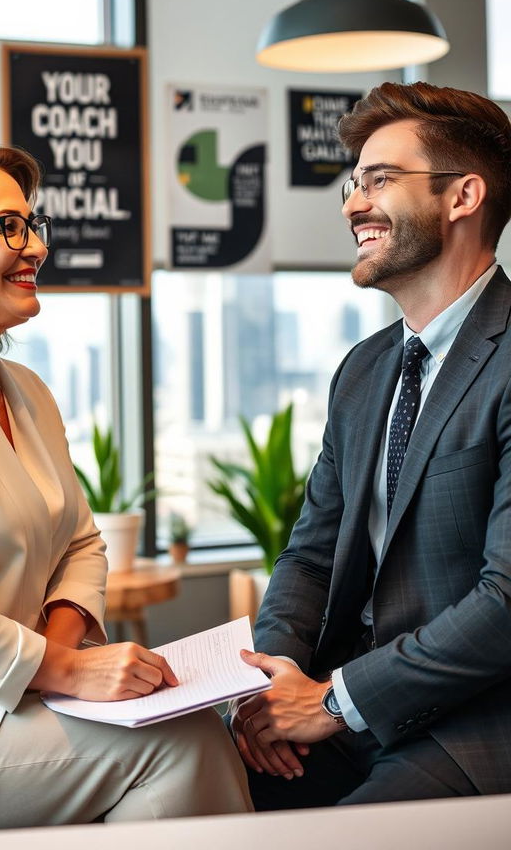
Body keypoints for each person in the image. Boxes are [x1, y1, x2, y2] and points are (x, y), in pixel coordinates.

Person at [0, 143, 252, 836]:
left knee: (189, 725)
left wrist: (65, 655)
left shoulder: (27, 393)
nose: (37, 246)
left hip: (14, 695)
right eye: (8, 228)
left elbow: (81, 541)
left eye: (32, 224)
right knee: (182, 745)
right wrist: (70, 674)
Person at [231, 81, 511, 807]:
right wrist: (275, 680)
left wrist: (328, 703)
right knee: (192, 792)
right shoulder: (365, 370)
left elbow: (507, 601)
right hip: (343, 703)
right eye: (353, 184)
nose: (354, 203)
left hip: (474, 720)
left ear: (463, 196)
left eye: (380, 179)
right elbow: (312, 554)